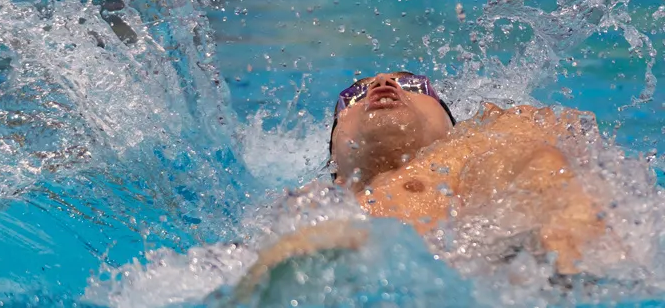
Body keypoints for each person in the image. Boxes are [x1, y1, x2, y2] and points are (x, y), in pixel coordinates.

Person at [238, 71, 617, 295]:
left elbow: (544, 158)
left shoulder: (481, 146)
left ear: (452, 125)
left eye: (413, 84)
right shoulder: (313, 203)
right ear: (334, 157)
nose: (383, 84)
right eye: (353, 94)